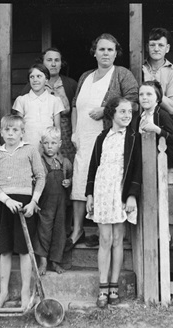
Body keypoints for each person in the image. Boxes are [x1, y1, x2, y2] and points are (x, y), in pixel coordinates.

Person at [66, 33, 139, 251]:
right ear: (94, 52)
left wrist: (106, 110)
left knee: (105, 181)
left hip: (106, 137)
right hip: (83, 137)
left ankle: (101, 231)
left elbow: (134, 103)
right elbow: (75, 106)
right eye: (102, 49)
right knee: (80, 181)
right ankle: (78, 230)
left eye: (110, 50)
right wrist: (74, 132)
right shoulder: (85, 76)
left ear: (116, 53)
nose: (105, 53)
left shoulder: (122, 74)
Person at [85, 97, 142, 308]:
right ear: (112, 114)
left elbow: (136, 168)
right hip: (102, 191)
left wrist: (132, 195)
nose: (127, 115)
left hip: (120, 192)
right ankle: (102, 288)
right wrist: (90, 194)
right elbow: (93, 166)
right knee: (105, 239)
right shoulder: (102, 138)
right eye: (122, 111)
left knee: (118, 239)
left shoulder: (133, 138)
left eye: (129, 112)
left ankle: (114, 286)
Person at [0, 114, 45, 310]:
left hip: (25, 205)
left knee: (24, 250)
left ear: (22, 133)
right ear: (1, 132)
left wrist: (33, 202)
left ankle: (25, 292)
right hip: (5, 204)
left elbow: (40, 176)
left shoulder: (29, 150)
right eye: (7, 130)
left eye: (15, 130)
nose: (10, 134)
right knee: (5, 250)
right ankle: (3, 292)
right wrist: (6, 200)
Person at [20, 47, 78, 163]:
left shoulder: (70, 84)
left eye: (57, 60)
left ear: (61, 64)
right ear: (42, 63)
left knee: (65, 165)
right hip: (40, 133)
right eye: (49, 60)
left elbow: (76, 108)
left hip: (65, 133)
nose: (53, 64)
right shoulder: (32, 85)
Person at [35, 127, 73, 275]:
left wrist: (69, 181)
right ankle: (43, 261)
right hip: (45, 202)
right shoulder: (39, 161)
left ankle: (56, 261)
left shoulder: (65, 162)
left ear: (60, 143)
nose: (49, 146)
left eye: (53, 143)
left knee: (60, 231)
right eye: (46, 143)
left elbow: (71, 176)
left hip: (61, 204)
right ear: (41, 144)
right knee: (43, 231)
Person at [13, 63, 64, 151]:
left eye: (39, 76)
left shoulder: (54, 101)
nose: (35, 80)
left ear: (46, 80)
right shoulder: (22, 100)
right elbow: (18, 127)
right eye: (32, 77)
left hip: (47, 148)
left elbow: (57, 128)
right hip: (27, 146)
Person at [133, 80, 173, 168]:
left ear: (157, 98)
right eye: (141, 94)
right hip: (144, 162)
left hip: (162, 163)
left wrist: (156, 129)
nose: (144, 97)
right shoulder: (140, 117)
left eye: (149, 94)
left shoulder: (163, 115)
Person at [142, 27, 173, 116]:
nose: (156, 49)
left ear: (167, 48)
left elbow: (172, 108)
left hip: (162, 124)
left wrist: (151, 87)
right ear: (147, 47)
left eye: (161, 45)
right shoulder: (138, 67)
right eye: (152, 45)